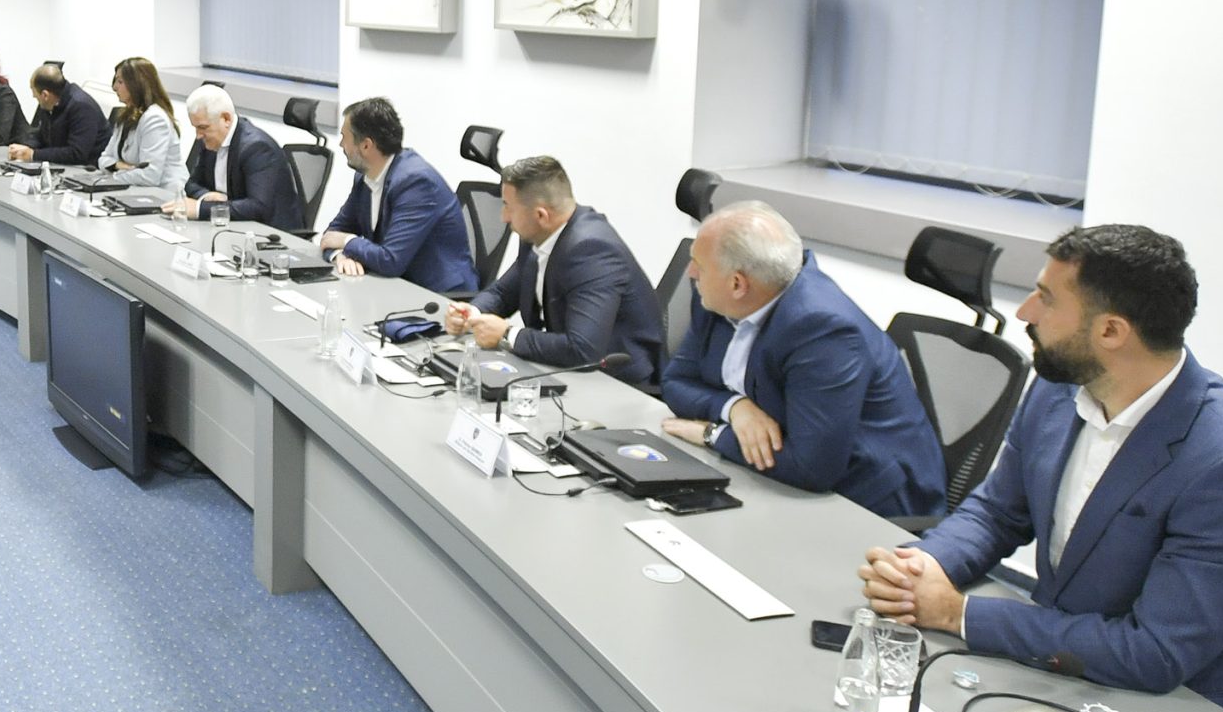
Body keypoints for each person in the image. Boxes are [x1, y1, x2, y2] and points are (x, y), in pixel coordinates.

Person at [858, 225, 1223, 712]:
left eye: (1046, 299)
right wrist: (921, 567)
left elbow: (1154, 652)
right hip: (1071, 673)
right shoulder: (1060, 389)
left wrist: (956, 613)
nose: (1025, 312)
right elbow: (998, 512)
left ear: (1111, 332)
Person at [659, 201, 943, 518]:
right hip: (776, 477)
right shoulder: (719, 300)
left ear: (737, 284)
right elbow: (675, 382)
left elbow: (812, 468)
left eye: (699, 264)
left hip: (866, 502)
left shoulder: (822, 331)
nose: (691, 272)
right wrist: (735, 408)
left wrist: (712, 434)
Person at [444, 157, 662, 386]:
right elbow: (503, 293)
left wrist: (507, 334)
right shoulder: (538, 234)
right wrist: (472, 313)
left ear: (541, 216)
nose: (503, 217)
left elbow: (583, 349)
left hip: (616, 384)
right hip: (562, 368)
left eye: (508, 207)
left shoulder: (592, 251)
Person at [317, 97, 476, 294]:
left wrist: (347, 241)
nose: (341, 144)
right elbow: (332, 233)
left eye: (344, 137)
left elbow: (390, 260)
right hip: (396, 287)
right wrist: (340, 255)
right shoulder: (364, 177)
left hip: (440, 297)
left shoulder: (417, 182)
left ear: (366, 145)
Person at [162, 85, 299, 228]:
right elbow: (191, 184)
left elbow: (257, 208)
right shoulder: (210, 141)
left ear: (226, 119)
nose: (198, 136)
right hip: (227, 225)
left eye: (202, 127)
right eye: (195, 128)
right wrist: (207, 196)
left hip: (269, 232)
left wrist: (199, 209)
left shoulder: (257, 148)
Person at [96, 57, 187, 196]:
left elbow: (150, 176)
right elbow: (103, 159)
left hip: (163, 195)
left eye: (120, 82)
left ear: (137, 84)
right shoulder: (126, 115)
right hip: (134, 190)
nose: (114, 87)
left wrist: (112, 177)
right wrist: (118, 165)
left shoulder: (155, 119)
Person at [9, 62, 107, 165]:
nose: (33, 96)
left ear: (45, 95)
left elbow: (77, 153)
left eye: (35, 94)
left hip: (88, 167)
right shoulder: (50, 102)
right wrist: (25, 148)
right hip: (63, 164)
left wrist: (33, 154)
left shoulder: (82, 107)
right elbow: (42, 135)